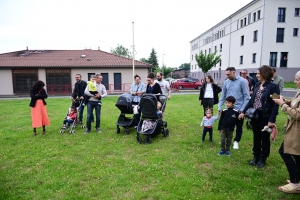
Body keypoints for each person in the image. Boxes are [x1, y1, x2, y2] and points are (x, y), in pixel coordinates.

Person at [239, 65, 280, 168]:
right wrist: (243, 111)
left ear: (264, 74)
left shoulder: (273, 87)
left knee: (264, 138)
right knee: (256, 136)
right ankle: (256, 156)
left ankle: (263, 158)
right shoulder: (257, 85)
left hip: (265, 116)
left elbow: (276, 104)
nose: (257, 75)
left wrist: (271, 120)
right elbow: (251, 100)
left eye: (258, 73)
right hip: (255, 115)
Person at [272, 71, 300, 193]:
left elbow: (297, 114)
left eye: (297, 79)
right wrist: (283, 100)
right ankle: (298, 180)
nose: (294, 81)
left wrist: (282, 104)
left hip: (297, 130)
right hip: (294, 129)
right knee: (297, 155)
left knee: (284, 152)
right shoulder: (299, 92)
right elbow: (295, 105)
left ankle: (295, 183)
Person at [218, 67, 250, 150]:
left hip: (239, 109)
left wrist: (243, 110)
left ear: (234, 72)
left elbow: (247, 97)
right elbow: (223, 95)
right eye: (226, 74)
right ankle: (224, 139)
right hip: (228, 109)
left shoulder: (242, 81)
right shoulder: (226, 82)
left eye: (229, 74)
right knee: (226, 125)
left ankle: (236, 141)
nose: (227, 76)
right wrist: (219, 106)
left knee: (238, 127)